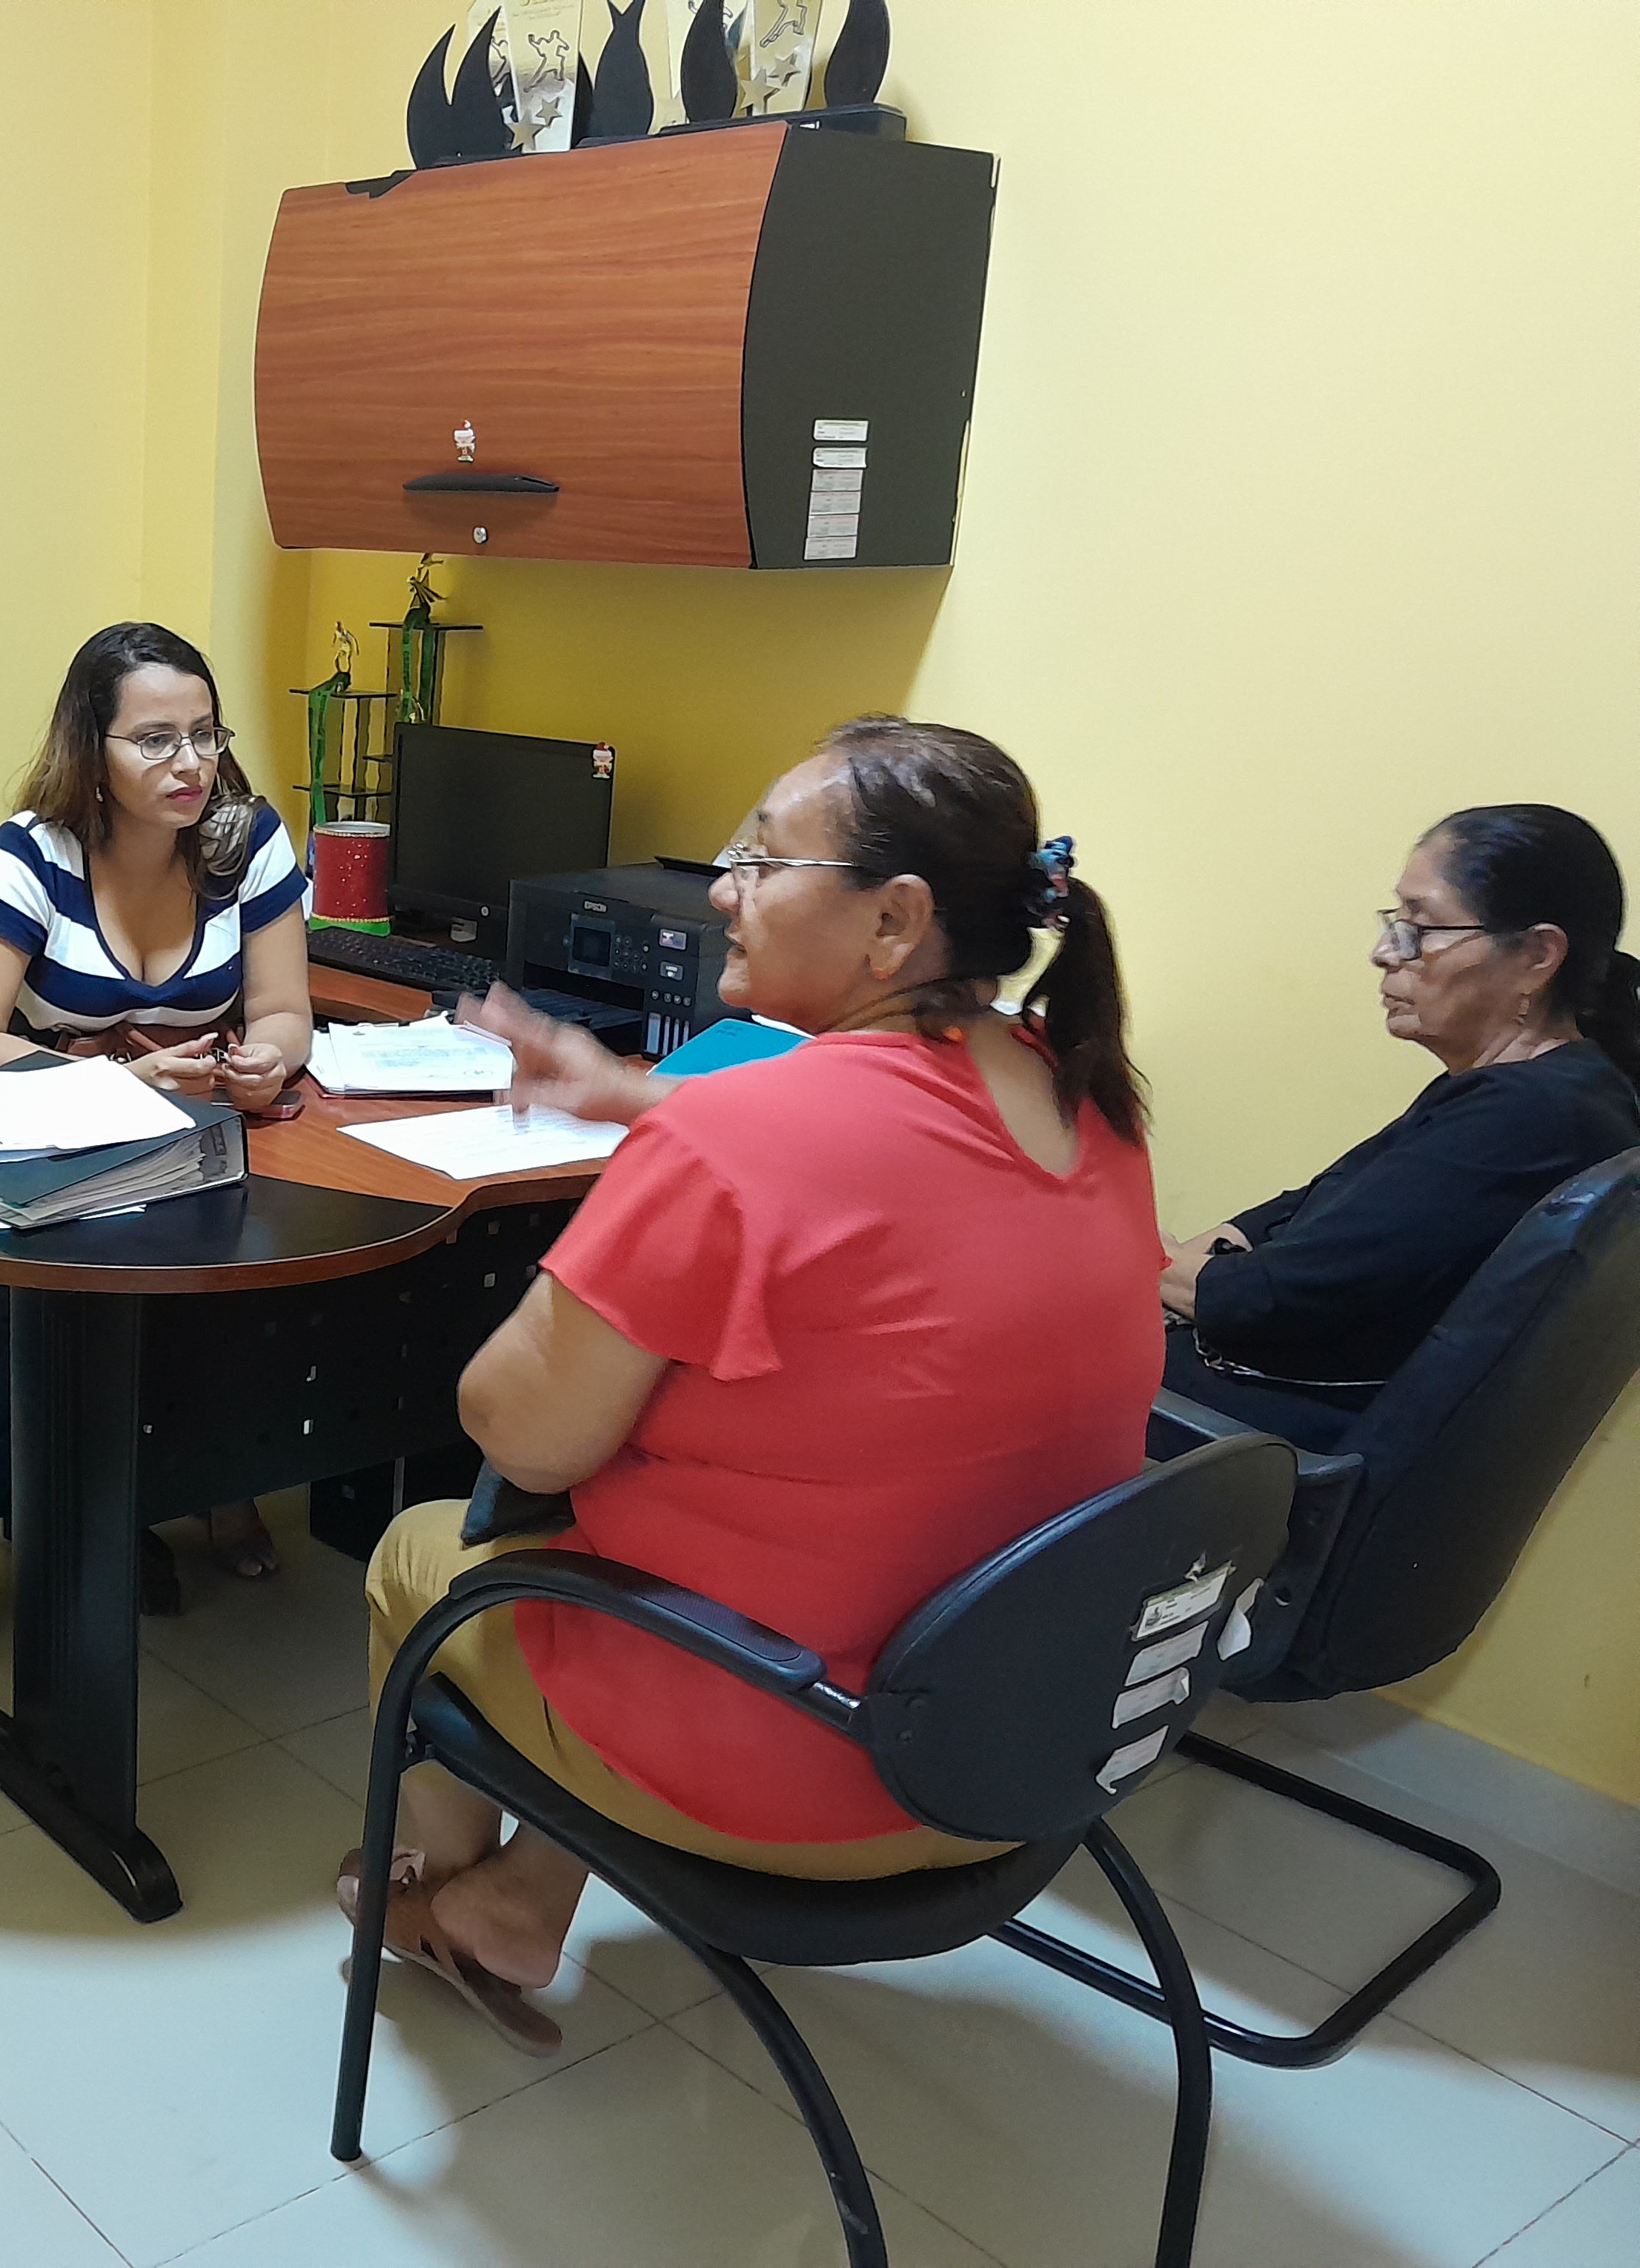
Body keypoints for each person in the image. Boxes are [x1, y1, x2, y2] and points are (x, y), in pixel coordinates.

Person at [352, 716, 1165, 2055]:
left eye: (762, 860)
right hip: (1022, 1746)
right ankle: (516, 1898)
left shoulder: (742, 1140)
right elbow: (885, 1170)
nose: (724, 892)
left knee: (421, 1554)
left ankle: (445, 1898)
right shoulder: (1081, 1091)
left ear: (893, 923)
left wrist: (624, 1212)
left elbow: (519, 1433)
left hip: (808, 1769)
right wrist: (638, 1101)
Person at [0, 622, 311, 1622]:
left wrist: (268, 1059)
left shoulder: (247, 841)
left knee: (256, 1274)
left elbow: (285, 1010)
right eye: (155, 740)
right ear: (92, 746)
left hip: (197, 1146)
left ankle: (211, 1470)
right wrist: (123, 1079)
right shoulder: (35, 853)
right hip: (49, 1148)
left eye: (205, 734)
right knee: (60, 1301)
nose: (190, 764)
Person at [1159, 804, 1640, 1448]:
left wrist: (1127, 1256)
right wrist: (1168, 1265)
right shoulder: (1539, 1088)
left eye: (1420, 928)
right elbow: (1306, 1209)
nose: (1384, 953)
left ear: (1537, 955)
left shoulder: (1530, 1117)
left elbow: (1278, 1296)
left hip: (1269, 1434)